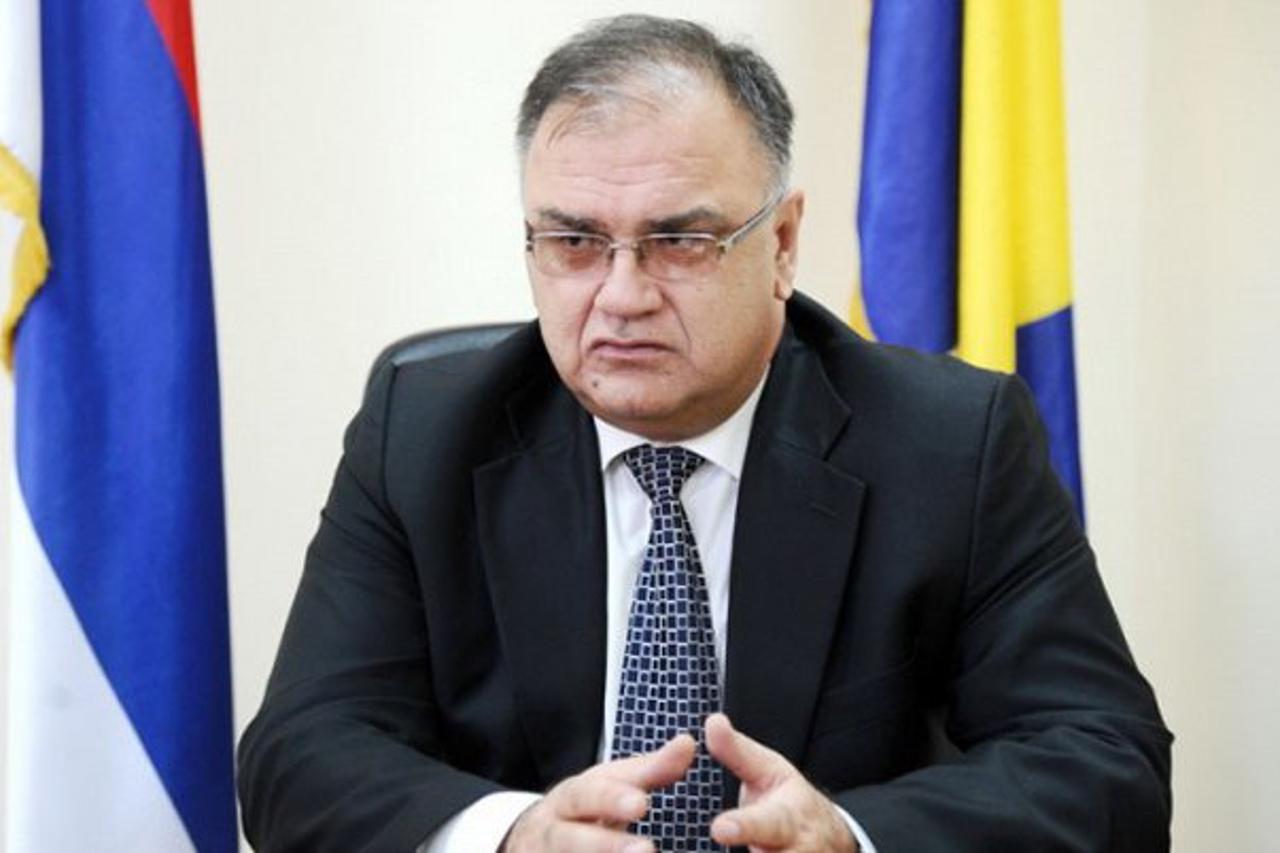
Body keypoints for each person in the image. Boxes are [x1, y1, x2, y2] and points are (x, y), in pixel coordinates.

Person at [237, 14, 1171, 852]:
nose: (622, 295)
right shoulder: (423, 433)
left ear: (783, 244)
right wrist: (512, 835)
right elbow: (300, 754)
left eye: (679, 242)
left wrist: (852, 837)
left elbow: (1106, 762)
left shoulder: (952, 445)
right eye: (573, 242)